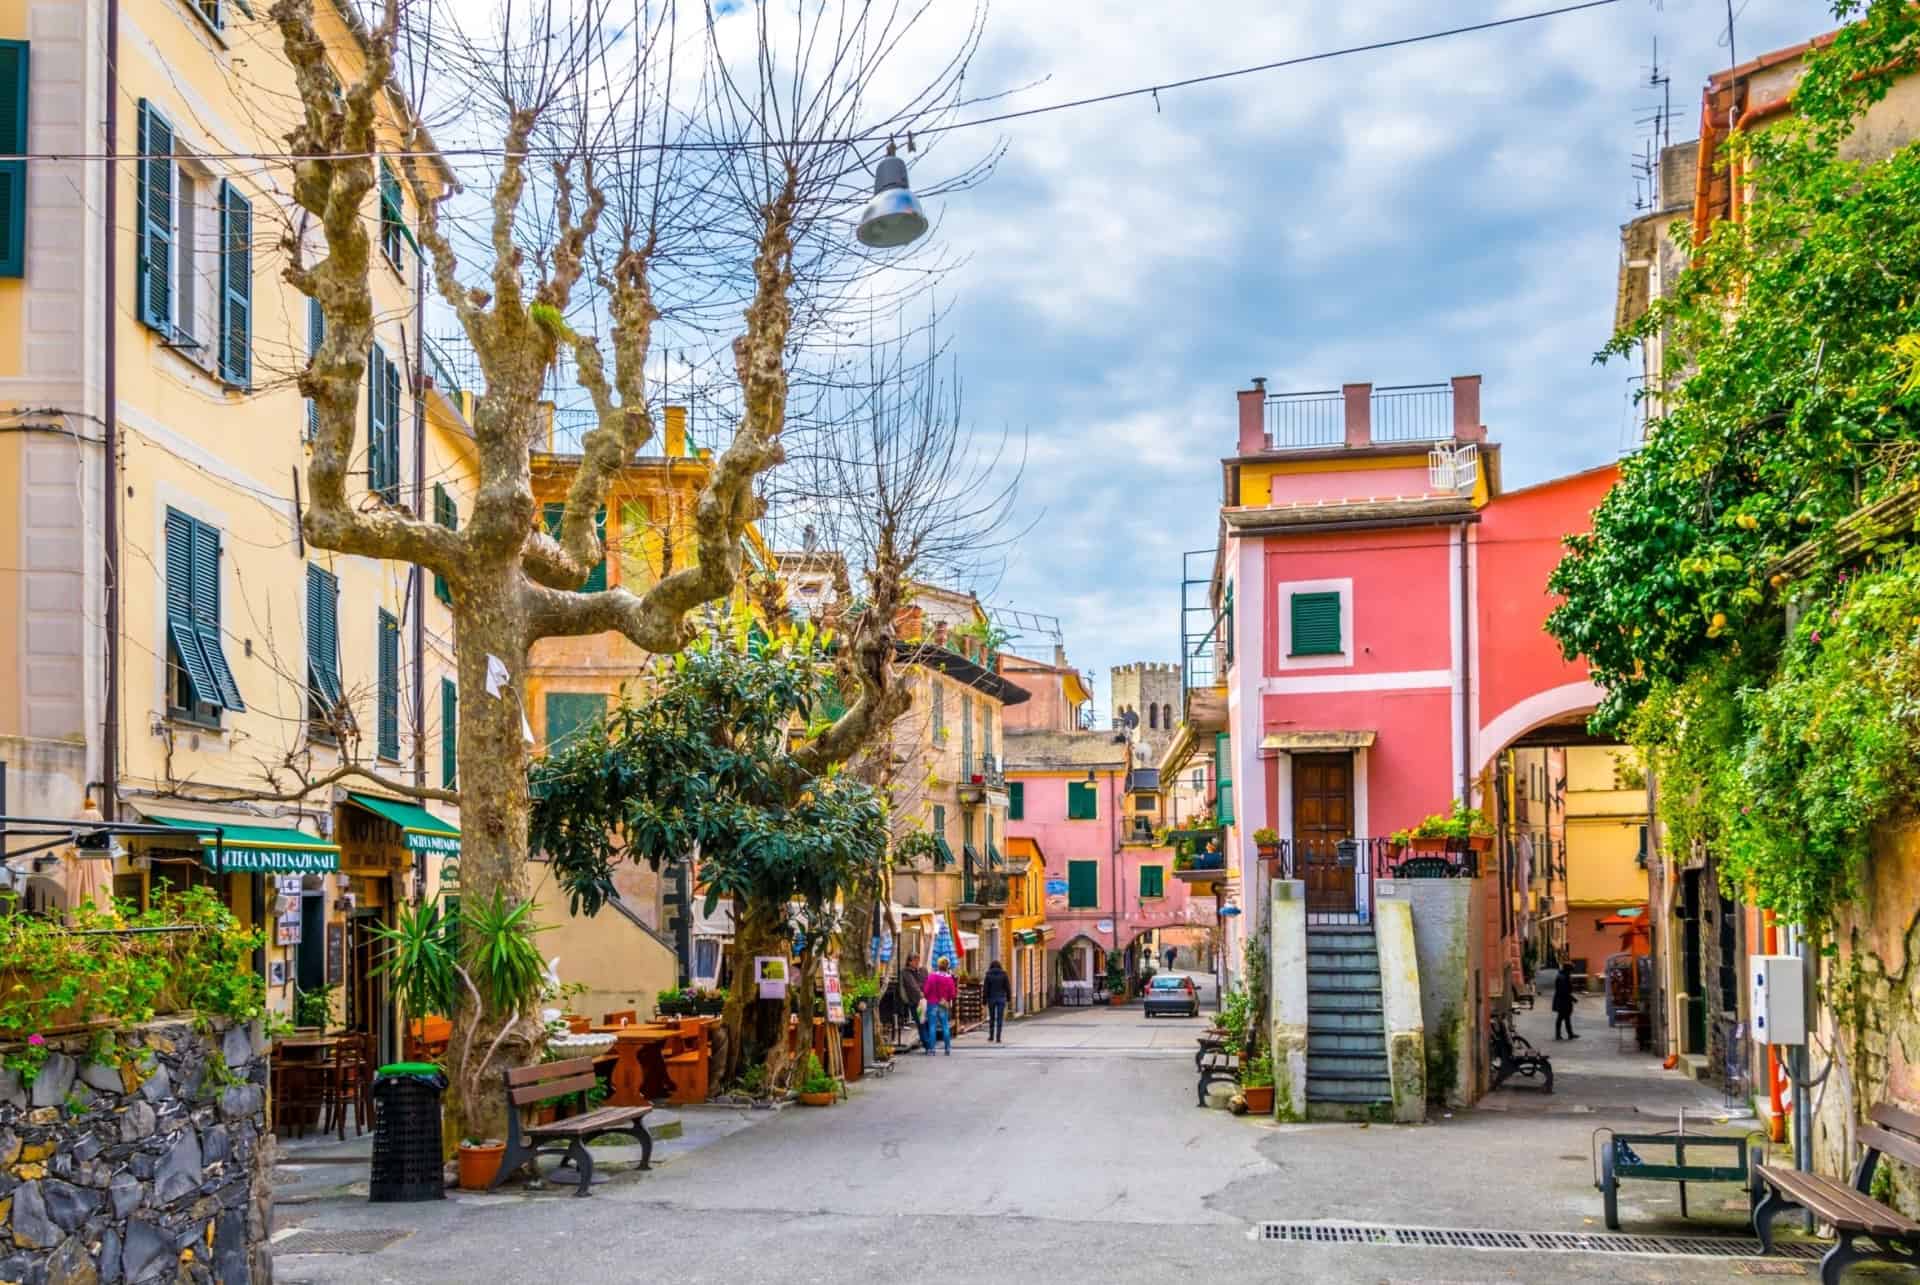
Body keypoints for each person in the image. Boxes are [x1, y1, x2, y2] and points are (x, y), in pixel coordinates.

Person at [922, 956, 957, 1055]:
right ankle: (947, 1048)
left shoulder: (932, 976)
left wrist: (927, 997)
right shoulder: (949, 978)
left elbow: (926, 990)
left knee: (932, 1026)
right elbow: (953, 994)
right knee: (945, 1026)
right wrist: (947, 999)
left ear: (938, 965)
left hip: (932, 1003)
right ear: (947, 966)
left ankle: (932, 1049)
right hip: (943, 1004)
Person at [902, 960, 929, 1052]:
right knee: (921, 1023)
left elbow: (927, 982)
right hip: (915, 1002)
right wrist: (920, 991)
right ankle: (927, 1045)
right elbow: (913, 986)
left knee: (926, 1023)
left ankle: (928, 1044)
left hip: (925, 1001)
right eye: (914, 960)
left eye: (918, 960)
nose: (917, 962)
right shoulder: (906, 972)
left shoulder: (923, 970)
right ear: (909, 962)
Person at [983, 960, 1011, 1043]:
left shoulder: (988, 975)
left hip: (991, 998)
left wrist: (984, 1000)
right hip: (1001, 998)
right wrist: (1009, 998)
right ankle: (998, 1037)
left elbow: (985, 989)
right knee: (1000, 1018)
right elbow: (1007, 987)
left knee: (992, 1018)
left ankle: (991, 1036)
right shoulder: (1004, 974)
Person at [1552, 961, 1579, 1041]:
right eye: (1571, 970)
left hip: (1564, 1000)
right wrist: (1572, 998)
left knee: (1566, 1017)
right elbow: (1564, 991)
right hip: (1563, 1000)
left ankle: (1570, 1034)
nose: (1571, 972)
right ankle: (1558, 1035)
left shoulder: (1563, 976)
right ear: (1567, 970)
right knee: (1561, 1017)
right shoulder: (1562, 977)